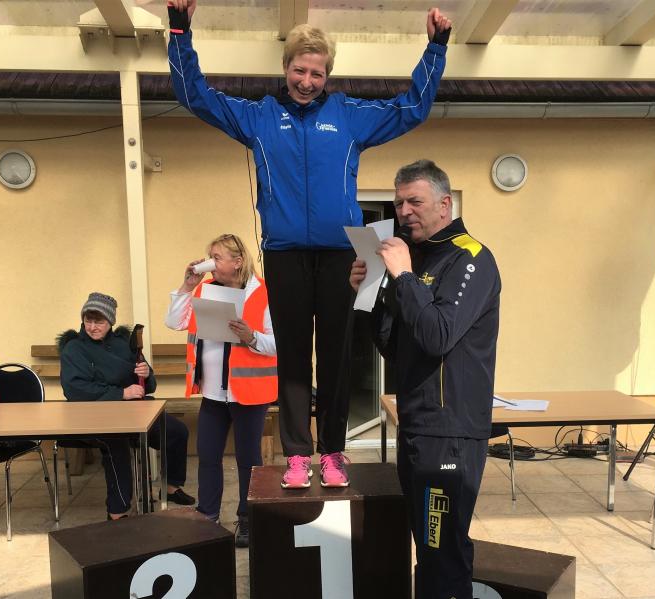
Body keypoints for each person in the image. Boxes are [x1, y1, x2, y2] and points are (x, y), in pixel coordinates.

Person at [166, 0, 453, 489]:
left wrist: (436, 48)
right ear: (286, 68)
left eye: (317, 73)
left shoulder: (349, 116)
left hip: (341, 253)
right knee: (294, 357)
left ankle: (334, 452)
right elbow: (195, 96)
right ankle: (299, 456)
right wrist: (179, 32)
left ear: (327, 76)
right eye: (300, 70)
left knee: (337, 355)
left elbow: (412, 108)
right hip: (284, 254)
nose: (307, 81)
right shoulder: (258, 118)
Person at [349, 160, 501, 599]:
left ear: (445, 204)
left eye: (414, 201)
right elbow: (397, 349)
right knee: (429, 548)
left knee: (443, 550)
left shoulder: (471, 258)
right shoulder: (417, 262)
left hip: (450, 431)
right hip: (416, 424)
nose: (404, 211)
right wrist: (371, 295)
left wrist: (403, 276)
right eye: (399, 203)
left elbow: (437, 336)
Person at [165, 233, 277, 548]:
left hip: (248, 394)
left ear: (237, 261)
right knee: (208, 455)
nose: (210, 263)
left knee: (248, 460)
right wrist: (186, 286)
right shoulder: (204, 289)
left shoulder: (264, 292)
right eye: (210, 256)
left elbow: (277, 344)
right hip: (213, 393)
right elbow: (174, 322)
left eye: (216, 257)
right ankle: (208, 515)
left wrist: (251, 337)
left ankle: (248, 519)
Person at [58, 292, 195, 520]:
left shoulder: (124, 345)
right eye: (88, 321)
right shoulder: (74, 349)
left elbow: (148, 386)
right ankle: (118, 511)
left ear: (110, 321)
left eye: (99, 321)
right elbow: (75, 390)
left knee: (176, 432)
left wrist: (146, 374)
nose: (92, 327)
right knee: (117, 444)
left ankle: (171, 487)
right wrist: (121, 393)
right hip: (92, 417)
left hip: (132, 412)